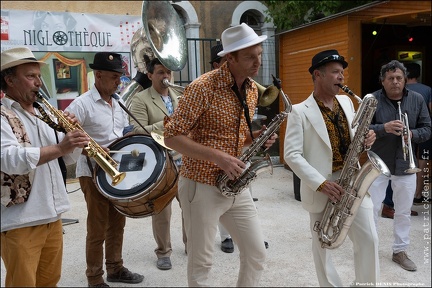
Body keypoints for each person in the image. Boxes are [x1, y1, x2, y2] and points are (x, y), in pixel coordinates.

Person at [164, 23, 277, 286]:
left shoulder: (251, 90)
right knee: (201, 263)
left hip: (236, 184)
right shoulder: (202, 87)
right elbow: (171, 137)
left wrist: (256, 138)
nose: (257, 62)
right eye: (250, 56)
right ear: (230, 58)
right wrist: (218, 157)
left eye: (259, 54)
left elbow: (233, 137)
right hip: (200, 185)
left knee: (256, 253)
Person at [284, 49, 379, 286]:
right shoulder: (298, 111)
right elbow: (292, 155)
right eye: (335, 72)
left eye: (342, 73)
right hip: (322, 185)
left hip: (352, 180)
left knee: (369, 238)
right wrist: (321, 184)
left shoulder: (346, 102)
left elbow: (354, 136)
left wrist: (366, 138)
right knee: (322, 244)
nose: (341, 78)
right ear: (318, 74)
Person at [1, 47, 89, 286]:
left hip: (52, 214)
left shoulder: (44, 114)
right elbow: (9, 159)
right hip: (21, 220)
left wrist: (75, 138)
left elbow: (67, 159)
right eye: (31, 76)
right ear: (9, 80)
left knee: (50, 283)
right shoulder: (2, 115)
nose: (38, 82)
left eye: (39, 76)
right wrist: (60, 148)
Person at [65, 52, 144, 287]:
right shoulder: (81, 104)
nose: (118, 82)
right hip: (92, 172)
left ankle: (116, 268)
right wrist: (91, 147)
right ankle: (94, 277)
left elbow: (118, 134)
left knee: (117, 223)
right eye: (113, 77)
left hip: (117, 173)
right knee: (97, 227)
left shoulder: (118, 102)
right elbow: (66, 135)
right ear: (98, 75)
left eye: (119, 77)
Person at [368, 60, 431, 271]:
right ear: (382, 81)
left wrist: (412, 133)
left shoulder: (417, 99)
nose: (395, 82)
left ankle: (400, 251)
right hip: (378, 162)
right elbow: (360, 128)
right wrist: (383, 128)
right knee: (372, 208)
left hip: (406, 163)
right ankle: (369, 249)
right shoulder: (372, 100)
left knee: (403, 211)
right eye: (390, 78)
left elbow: (428, 128)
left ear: (405, 80)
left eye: (399, 78)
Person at [128, 57, 182, 270]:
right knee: (162, 211)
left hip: (183, 158)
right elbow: (136, 130)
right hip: (160, 162)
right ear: (150, 75)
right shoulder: (140, 99)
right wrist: (167, 123)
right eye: (160, 72)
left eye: (168, 72)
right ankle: (163, 252)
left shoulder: (178, 95)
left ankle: (191, 244)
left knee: (191, 207)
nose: (166, 76)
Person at [209, 43, 234, 254]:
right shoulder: (205, 88)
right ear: (218, 64)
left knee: (243, 194)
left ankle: (245, 234)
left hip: (237, 153)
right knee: (222, 195)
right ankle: (226, 236)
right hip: (215, 159)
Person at [405, 62, 431, 205]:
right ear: (418, 74)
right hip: (424, 131)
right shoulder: (427, 90)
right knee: (423, 159)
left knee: (407, 159)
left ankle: (406, 195)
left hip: (406, 130)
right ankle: (418, 194)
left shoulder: (400, 89)